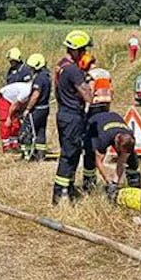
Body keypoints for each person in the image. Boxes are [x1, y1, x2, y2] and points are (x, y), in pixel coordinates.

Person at [53, 30, 95, 203]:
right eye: (84, 50)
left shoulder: (61, 66)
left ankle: (67, 189)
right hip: (73, 117)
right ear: (76, 50)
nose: (85, 53)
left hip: (63, 113)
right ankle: (59, 194)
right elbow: (88, 97)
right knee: (69, 155)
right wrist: (89, 82)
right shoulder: (74, 71)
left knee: (70, 152)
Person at [88, 110, 141, 192]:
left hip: (113, 118)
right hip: (94, 122)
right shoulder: (103, 139)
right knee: (90, 155)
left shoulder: (130, 138)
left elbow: (122, 161)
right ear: (116, 143)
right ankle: (88, 184)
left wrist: (115, 182)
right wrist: (108, 181)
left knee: (132, 159)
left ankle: (134, 185)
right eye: (120, 150)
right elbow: (99, 162)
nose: (120, 153)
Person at [18, 53, 54, 162]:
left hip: (37, 109)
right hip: (45, 108)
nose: (30, 69)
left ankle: (27, 155)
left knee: (26, 131)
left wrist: (28, 109)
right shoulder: (47, 76)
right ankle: (40, 155)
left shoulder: (39, 78)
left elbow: (35, 95)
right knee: (40, 132)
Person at [0, 78, 34, 152]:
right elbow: (14, 105)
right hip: (5, 98)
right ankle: (6, 145)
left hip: (13, 101)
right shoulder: (26, 91)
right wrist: (9, 117)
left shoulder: (32, 90)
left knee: (16, 123)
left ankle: (14, 143)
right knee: (6, 122)